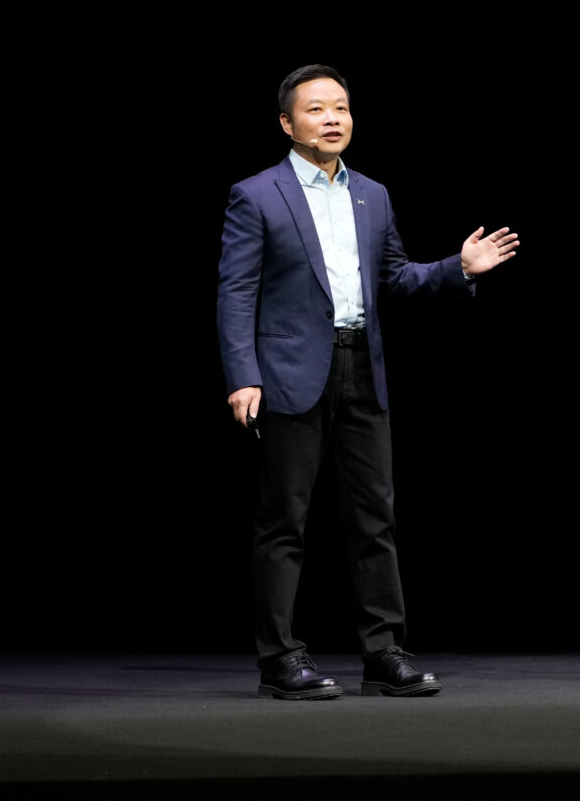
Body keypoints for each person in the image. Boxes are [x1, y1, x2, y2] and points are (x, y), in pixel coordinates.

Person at [217, 64, 520, 701]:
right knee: (284, 520)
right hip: (289, 373)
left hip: (362, 366)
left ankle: (384, 652)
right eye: (316, 109)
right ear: (287, 123)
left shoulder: (372, 195)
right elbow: (236, 292)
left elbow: (396, 278)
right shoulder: (257, 194)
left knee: (374, 518)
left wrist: (459, 268)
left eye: (342, 107)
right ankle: (280, 657)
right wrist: (243, 376)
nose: (332, 119)